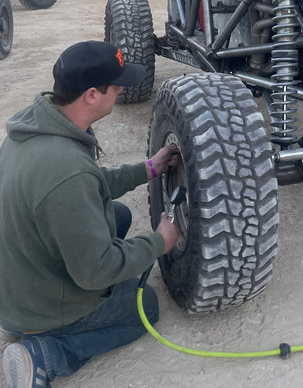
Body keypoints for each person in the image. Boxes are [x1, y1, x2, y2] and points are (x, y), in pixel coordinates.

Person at [0, 40, 181, 388]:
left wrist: (148, 168)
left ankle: (21, 317)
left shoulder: (37, 127)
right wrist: (160, 241)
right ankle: (43, 354)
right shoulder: (66, 170)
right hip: (38, 305)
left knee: (118, 215)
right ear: (93, 96)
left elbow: (89, 185)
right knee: (144, 308)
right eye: (117, 85)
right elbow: (95, 271)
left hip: (19, 274)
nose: (122, 90)